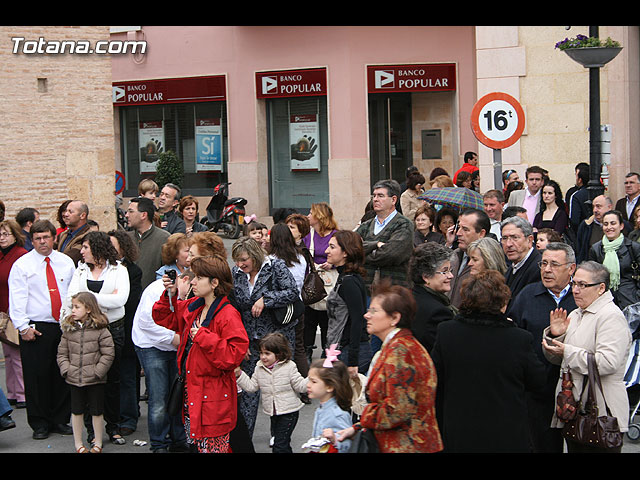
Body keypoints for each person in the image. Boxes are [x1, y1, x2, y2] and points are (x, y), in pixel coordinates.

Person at [430, 270, 546, 453]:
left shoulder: (447, 332)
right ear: (502, 302)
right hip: (505, 433)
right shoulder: (518, 339)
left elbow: (435, 379)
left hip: (460, 431)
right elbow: (538, 382)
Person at [153, 255, 249, 453]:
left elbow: (234, 355)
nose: (193, 282)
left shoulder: (227, 313)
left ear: (214, 283)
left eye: (199, 277)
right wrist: (170, 294)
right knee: (196, 446)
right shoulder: (194, 306)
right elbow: (163, 317)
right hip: (193, 393)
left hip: (214, 396)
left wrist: (204, 337)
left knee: (214, 448)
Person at [336, 281, 443, 453]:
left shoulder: (401, 351)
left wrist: (365, 415)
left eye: (374, 311)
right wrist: (357, 427)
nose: (366, 315)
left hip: (408, 446)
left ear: (394, 318)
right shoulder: (398, 346)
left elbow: (397, 410)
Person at [542, 261, 632, 453]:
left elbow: (608, 363)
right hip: (576, 410)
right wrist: (556, 338)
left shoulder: (610, 317)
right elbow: (563, 361)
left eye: (582, 285)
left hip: (601, 414)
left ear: (601, 288)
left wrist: (566, 350)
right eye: (574, 284)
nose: (575, 290)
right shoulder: (577, 314)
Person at [8, 219, 76, 439]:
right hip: (36, 326)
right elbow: (16, 298)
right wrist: (22, 327)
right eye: (37, 238)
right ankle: (40, 423)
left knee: (61, 373)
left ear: (54, 238)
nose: (42, 242)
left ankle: (60, 419)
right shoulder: (22, 265)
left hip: (63, 325)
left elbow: (73, 293)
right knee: (36, 377)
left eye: (46, 237)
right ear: (32, 240)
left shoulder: (65, 262)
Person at [63, 231, 130, 446]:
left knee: (112, 379)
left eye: (85, 247)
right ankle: (92, 431)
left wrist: (88, 302)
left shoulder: (119, 269)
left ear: (98, 249)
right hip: (87, 331)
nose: (81, 251)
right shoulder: (81, 270)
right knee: (90, 382)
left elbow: (121, 299)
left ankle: (113, 426)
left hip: (113, 329)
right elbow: (71, 298)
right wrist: (97, 302)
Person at [509, 242, 577, 453]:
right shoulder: (528, 295)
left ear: (571, 268)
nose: (547, 270)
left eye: (554, 264)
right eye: (544, 263)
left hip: (576, 390)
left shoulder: (581, 296)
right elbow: (513, 335)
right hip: (537, 392)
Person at [231, 236, 299, 437]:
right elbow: (236, 306)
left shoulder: (275, 266)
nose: (240, 264)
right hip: (250, 340)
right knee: (250, 392)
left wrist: (266, 299)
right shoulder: (237, 273)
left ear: (255, 256)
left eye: (244, 259)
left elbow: (292, 292)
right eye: (236, 260)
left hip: (276, 339)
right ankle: (246, 439)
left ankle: (278, 436)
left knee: (277, 389)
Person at [132, 270, 190, 453]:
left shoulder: (189, 294)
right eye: (189, 288)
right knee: (159, 398)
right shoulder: (156, 290)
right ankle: (159, 443)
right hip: (151, 345)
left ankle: (178, 439)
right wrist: (174, 337)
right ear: (184, 279)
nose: (190, 294)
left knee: (177, 393)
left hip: (174, 347)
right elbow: (145, 322)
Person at [57, 292, 115, 454]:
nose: (73, 310)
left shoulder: (101, 329)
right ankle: (78, 444)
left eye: (77, 307)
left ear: (88, 309)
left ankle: (97, 443)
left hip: (95, 379)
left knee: (97, 411)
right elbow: (62, 353)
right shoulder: (69, 330)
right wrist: (67, 370)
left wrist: (98, 372)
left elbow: (108, 353)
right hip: (74, 378)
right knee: (76, 411)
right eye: (72, 307)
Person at [234, 332, 307, 453]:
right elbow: (252, 387)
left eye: (267, 353)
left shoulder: (289, 367)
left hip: (289, 412)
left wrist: (312, 379)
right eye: (261, 353)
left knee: (279, 445)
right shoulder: (259, 368)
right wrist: (240, 375)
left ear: (279, 353)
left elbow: (300, 386)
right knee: (282, 443)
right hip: (274, 413)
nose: (263, 357)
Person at [107, 229, 143, 437]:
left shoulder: (133, 271)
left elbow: (129, 301)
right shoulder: (103, 270)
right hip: (108, 331)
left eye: (114, 245)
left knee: (128, 376)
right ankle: (115, 414)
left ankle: (129, 417)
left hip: (127, 329)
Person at [324, 230, 371, 375]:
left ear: (345, 252)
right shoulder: (345, 277)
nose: (326, 251)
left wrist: (353, 361)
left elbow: (358, 320)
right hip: (339, 348)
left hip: (348, 351)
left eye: (332, 247)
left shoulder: (349, 281)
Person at [355, 179, 414, 289]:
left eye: (381, 196)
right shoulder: (365, 226)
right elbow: (351, 249)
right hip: (366, 290)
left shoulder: (404, 225)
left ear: (393, 200)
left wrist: (363, 253)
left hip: (394, 291)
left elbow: (391, 254)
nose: (376, 199)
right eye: (374, 196)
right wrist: (376, 245)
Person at [303, 202, 339, 362]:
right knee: (309, 319)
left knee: (327, 320)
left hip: (330, 280)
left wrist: (332, 262)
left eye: (311, 213)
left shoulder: (336, 235)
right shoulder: (308, 235)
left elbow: (345, 254)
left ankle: (327, 354)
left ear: (319, 216)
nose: (308, 216)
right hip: (312, 281)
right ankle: (307, 352)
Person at [408, 242, 456, 353]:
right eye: (444, 271)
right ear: (426, 276)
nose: (450, 276)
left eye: (450, 270)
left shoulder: (411, 296)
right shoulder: (437, 312)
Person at [0, 219, 28, 408]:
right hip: (1, 311)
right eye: (0, 234)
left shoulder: (20, 255)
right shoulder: (1, 255)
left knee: (17, 354)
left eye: (5, 234)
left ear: (15, 235)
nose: (1, 238)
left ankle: (22, 393)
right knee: (8, 355)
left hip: (13, 310)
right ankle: (12, 392)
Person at [588, 210, 640, 310]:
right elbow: (593, 276)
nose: (609, 227)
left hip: (630, 300)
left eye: (613, 223)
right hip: (605, 301)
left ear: (621, 226)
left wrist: (637, 295)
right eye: (605, 224)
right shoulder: (596, 249)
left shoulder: (633, 247)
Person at [307, 357, 354, 453]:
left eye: (314, 381)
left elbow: (349, 444)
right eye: (309, 380)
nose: (308, 385)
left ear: (329, 387)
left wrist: (335, 440)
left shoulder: (337, 414)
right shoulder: (323, 407)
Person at [446, 208, 490, 308]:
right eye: (459, 228)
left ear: (481, 233)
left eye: (465, 229)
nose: (458, 233)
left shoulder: (487, 262)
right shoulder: (455, 255)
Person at [126, 196, 171, 289]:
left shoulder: (164, 238)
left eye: (131, 211)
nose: (126, 215)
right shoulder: (126, 238)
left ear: (143, 215)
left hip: (153, 298)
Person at [501, 215, 543, 307]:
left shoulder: (539, 269)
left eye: (515, 237)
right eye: (504, 238)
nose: (508, 244)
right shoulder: (512, 267)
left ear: (529, 240)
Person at [575, 194, 614, 263]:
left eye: (598, 206)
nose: (595, 210)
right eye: (593, 207)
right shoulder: (586, 225)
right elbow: (579, 248)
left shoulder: (620, 225)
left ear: (609, 207)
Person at [56, 200, 91, 266]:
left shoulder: (88, 235)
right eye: (66, 211)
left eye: (70, 212)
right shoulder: (63, 234)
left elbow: (70, 258)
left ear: (82, 215)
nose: (65, 214)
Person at [566, 162, 590, 234]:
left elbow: (574, 220)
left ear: (580, 179)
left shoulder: (576, 195)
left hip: (580, 232)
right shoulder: (598, 192)